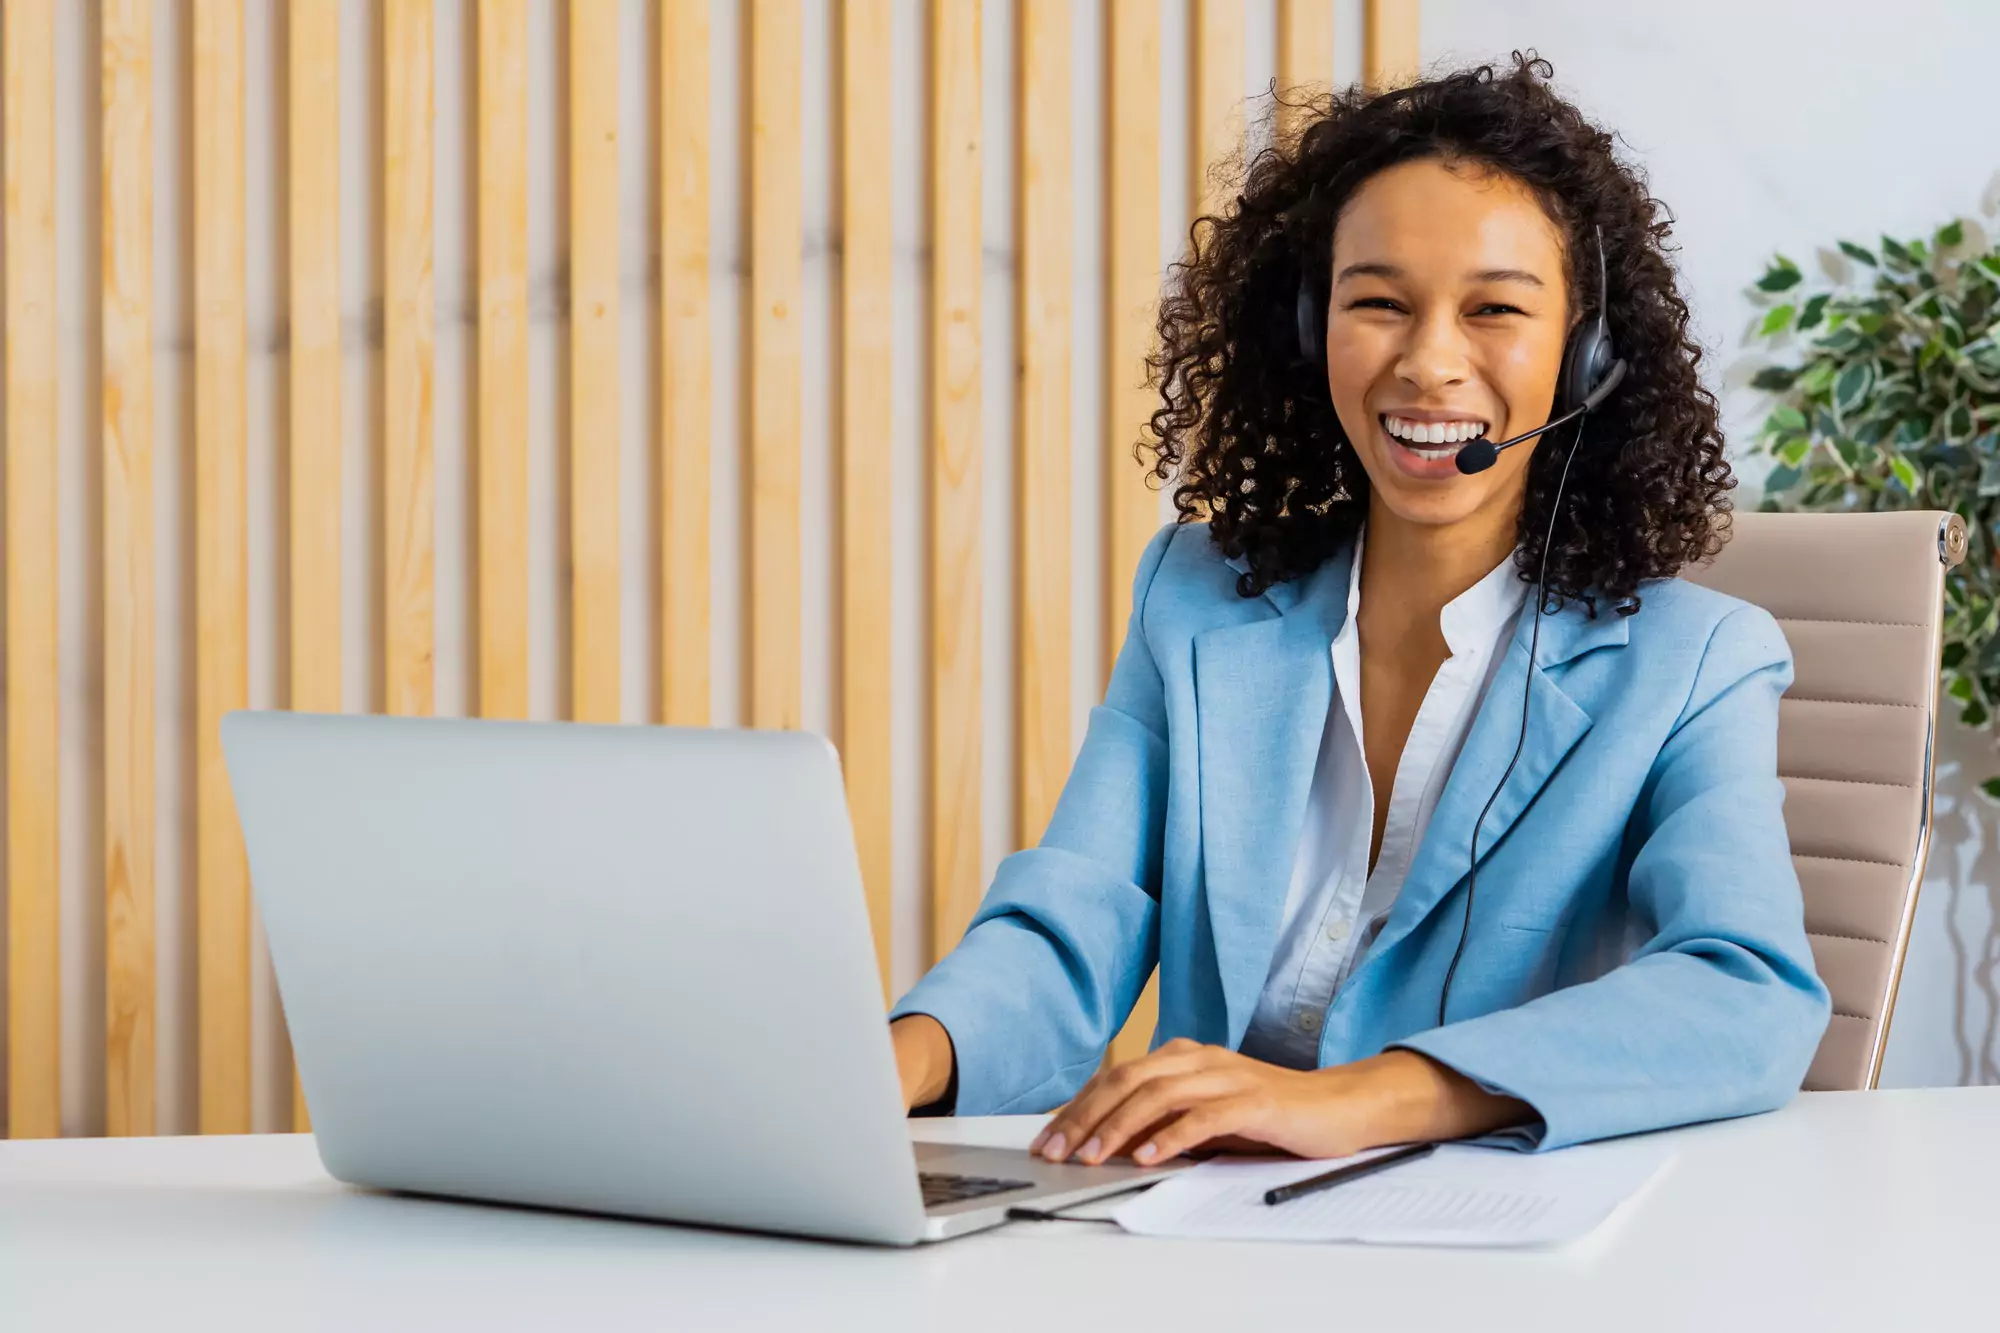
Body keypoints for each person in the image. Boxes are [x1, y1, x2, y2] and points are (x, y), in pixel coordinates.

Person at [889, 54, 1830, 1168]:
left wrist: (1368, 1096)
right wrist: (888, 1059)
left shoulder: (1693, 664)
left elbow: (1746, 989)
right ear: (1307, 329)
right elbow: (1074, 925)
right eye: (1376, 303)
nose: (1429, 363)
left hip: (1483, 1239)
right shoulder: (1192, 600)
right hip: (1194, 1225)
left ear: (1585, 359)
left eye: (1494, 310)